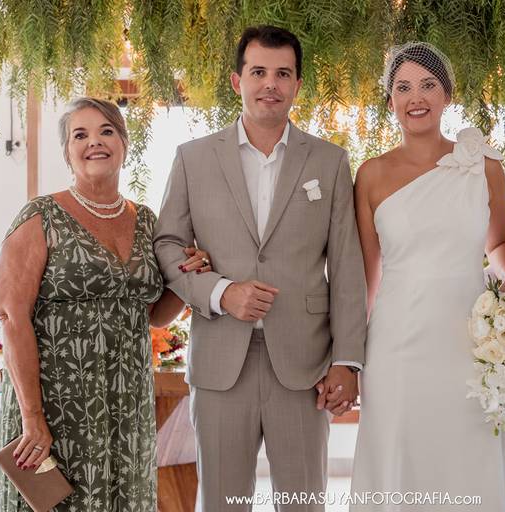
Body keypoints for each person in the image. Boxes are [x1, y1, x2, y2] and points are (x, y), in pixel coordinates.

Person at [153, 25, 367, 511]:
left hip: (305, 366)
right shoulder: (192, 158)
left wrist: (347, 361)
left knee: (303, 502)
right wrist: (221, 292)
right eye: (258, 72)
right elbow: (166, 245)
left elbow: (348, 269)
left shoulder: (330, 162)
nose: (270, 83)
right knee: (223, 503)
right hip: (219, 362)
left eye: (283, 74)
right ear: (237, 81)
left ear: (297, 84)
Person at [0, 97, 211, 511]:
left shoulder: (146, 221)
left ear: (124, 144)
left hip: (126, 404)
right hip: (57, 403)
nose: (94, 141)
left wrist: (187, 278)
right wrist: (33, 416)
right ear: (67, 151)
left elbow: (154, 316)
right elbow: (11, 316)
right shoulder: (41, 216)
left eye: (106, 131)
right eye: (81, 135)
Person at [350, 42, 505, 510]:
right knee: (402, 461)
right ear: (390, 101)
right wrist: (349, 358)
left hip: (471, 342)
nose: (416, 97)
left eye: (428, 85)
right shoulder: (370, 175)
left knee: (469, 458)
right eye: (403, 88)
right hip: (396, 347)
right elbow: (365, 276)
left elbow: (500, 244)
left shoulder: (484, 166)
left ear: (447, 94)